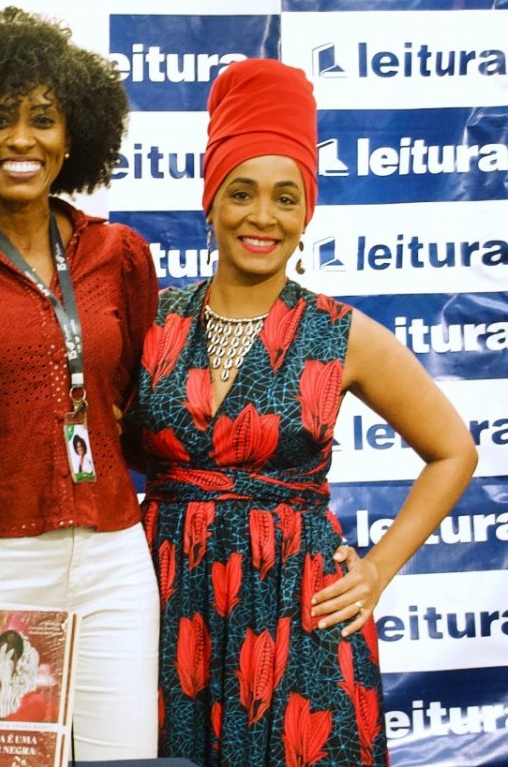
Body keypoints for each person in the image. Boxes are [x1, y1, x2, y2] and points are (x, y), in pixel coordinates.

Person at [126, 58, 478, 766]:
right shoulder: (151, 321)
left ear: (306, 211)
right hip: (166, 608)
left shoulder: (341, 334)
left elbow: (454, 451)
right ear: (210, 199)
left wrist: (376, 571)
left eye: (286, 198)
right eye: (242, 193)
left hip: (297, 611)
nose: (263, 217)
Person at [0, 7, 161, 759]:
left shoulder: (116, 251)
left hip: (115, 551)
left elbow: (135, 394)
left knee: (125, 758)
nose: (23, 140)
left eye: (43, 119)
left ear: (73, 135)